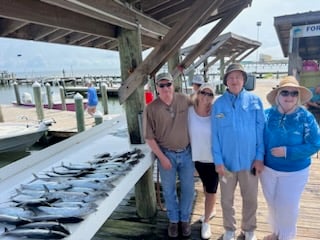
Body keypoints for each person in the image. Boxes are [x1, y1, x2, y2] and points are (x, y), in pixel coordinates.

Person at [261, 76, 320, 240]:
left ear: (298, 96)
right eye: (285, 92)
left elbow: (315, 144)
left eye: (294, 93)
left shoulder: (306, 117)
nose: (289, 96)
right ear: (277, 95)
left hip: (295, 172)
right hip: (267, 170)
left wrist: (288, 151)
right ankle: (277, 232)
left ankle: (287, 237)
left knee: (288, 206)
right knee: (272, 203)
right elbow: (257, 140)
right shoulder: (266, 115)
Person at [211, 63, 265, 240]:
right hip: (226, 163)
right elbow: (214, 135)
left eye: (238, 77)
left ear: (244, 80)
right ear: (226, 81)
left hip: (250, 162)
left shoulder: (255, 102)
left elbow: (261, 133)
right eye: (231, 77)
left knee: (251, 199)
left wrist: (259, 157)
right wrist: (218, 161)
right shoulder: (218, 105)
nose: (235, 80)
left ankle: (249, 229)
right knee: (226, 199)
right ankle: (229, 229)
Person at [143, 72, 194, 238]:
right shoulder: (150, 108)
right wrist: (161, 157)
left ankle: (184, 219)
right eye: (161, 85)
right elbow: (149, 138)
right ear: (156, 88)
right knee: (168, 190)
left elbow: (202, 108)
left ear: (173, 85)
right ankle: (173, 220)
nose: (165, 88)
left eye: (168, 84)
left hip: (187, 153)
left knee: (188, 189)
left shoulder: (185, 99)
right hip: (166, 154)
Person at [188, 83, 219, 239]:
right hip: (195, 159)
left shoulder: (216, 113)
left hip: (213, 159)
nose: (206, 97)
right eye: (203, 93)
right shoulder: (189, 112)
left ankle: (206, 221)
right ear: (197, 93)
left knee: (211, 191)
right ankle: (210, 210)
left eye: (210, 94)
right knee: (205, 188)